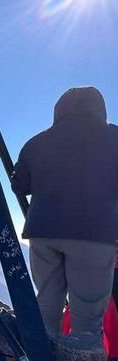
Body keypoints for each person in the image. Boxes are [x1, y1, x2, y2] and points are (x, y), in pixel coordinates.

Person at [11, 86, 118, 341]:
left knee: (47, 303)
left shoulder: (37, 142)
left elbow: (19, 186)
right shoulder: (114, 137)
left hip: (43, 233)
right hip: (95, 235)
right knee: (87, 315)